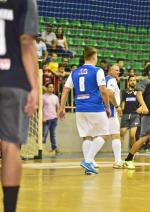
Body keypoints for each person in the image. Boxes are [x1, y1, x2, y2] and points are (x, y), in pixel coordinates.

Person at [0, 0, 38, 211]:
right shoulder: (24, 1)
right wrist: (34, 87)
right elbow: (26, 42)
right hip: (12, 80)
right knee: (10, 145)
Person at [59, 46, 111, 175]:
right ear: (94, 57)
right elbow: (103, 91)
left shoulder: (75, 72)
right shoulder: (98, 71)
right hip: (95, 107)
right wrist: (108, 107)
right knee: (104, 134)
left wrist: (61, 108)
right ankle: (88, 161)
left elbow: (65, 91)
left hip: (80, 108)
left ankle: (89, 167)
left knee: (87, 136)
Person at [105, 65, 124, 168]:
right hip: (111, 111)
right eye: (116, 70)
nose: (118, 72)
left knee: (98, 136)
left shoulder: (103, 79)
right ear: (110, 70)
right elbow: (110, 93)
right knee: (115, 135)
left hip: (102, 111)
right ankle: (118, 161)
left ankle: (89, 160)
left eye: (119, 71)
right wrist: (117, 107)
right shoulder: (111, 80)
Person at [120, 75, 140, 148]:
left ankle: (133, 151)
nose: (133, 82)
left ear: (136, 82)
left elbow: (142, 103)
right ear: (128, 82)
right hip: (125, 115)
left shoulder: (139, 91)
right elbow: (123, 102)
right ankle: (118, 152)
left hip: (135, 115)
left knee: (132, 135)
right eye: (131, 80)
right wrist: (121, 110)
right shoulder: (124, 91)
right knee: (122, 133)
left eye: (134, 80)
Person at [42, 84, 60, 154]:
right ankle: (41, 148)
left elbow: (58, 107)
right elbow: (41, 108)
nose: (51, 88)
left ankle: (54, 148)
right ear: (47, 88)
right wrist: (43, 117)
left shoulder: (55, 97)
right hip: (46, 119)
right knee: (44, 134)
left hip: (54, 118)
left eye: (52, 87)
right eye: (50, 87)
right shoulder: (43, 97)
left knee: (53, 134)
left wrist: (57, 116)